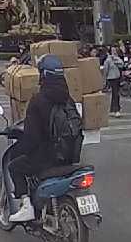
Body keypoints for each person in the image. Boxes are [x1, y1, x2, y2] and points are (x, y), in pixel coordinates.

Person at [7, 55, 78, 223]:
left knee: (14, 166)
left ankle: (26, 207)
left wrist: (20, 149)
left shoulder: (38, 101)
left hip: (47, 157)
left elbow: (32, 138)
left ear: (43, 75)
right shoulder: (69, 100)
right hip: (69, 155)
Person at [103, 46, 125, 117]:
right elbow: (105, 70)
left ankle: (113, 109)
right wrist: (104, 80)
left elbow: (122, 64)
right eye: (112, 50)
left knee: (115, 94)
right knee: (116, 94)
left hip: (117, 77)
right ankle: (116, 109)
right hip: (111, 78)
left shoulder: (118, 58)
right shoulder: (108, 60)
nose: (114, 52)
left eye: (115, 50)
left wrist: (115, 59)